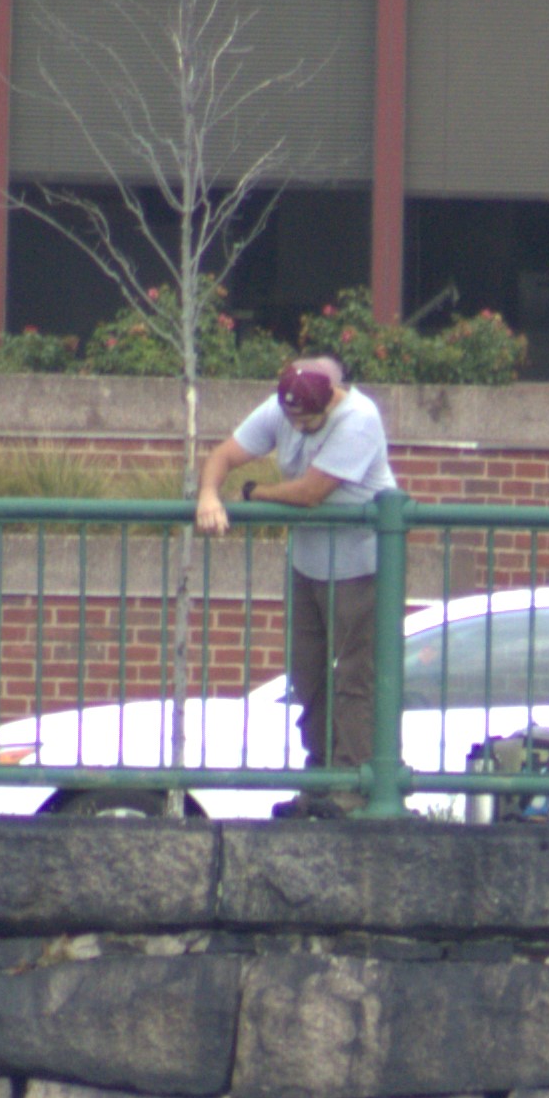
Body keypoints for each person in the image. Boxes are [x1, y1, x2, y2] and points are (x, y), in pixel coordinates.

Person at [192, 350, 402, 819]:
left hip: (361, 566)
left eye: (308, 422)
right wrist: (208, 493)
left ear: (327, 404)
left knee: (355, 678)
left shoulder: (358, 419)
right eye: (293, 420)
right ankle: (319, 781)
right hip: (308, 564)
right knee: (307, 676)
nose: (299, 429)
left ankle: (354, 787)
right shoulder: (283, 406)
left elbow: (311, 492)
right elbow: (224, 455)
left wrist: (253, 494)